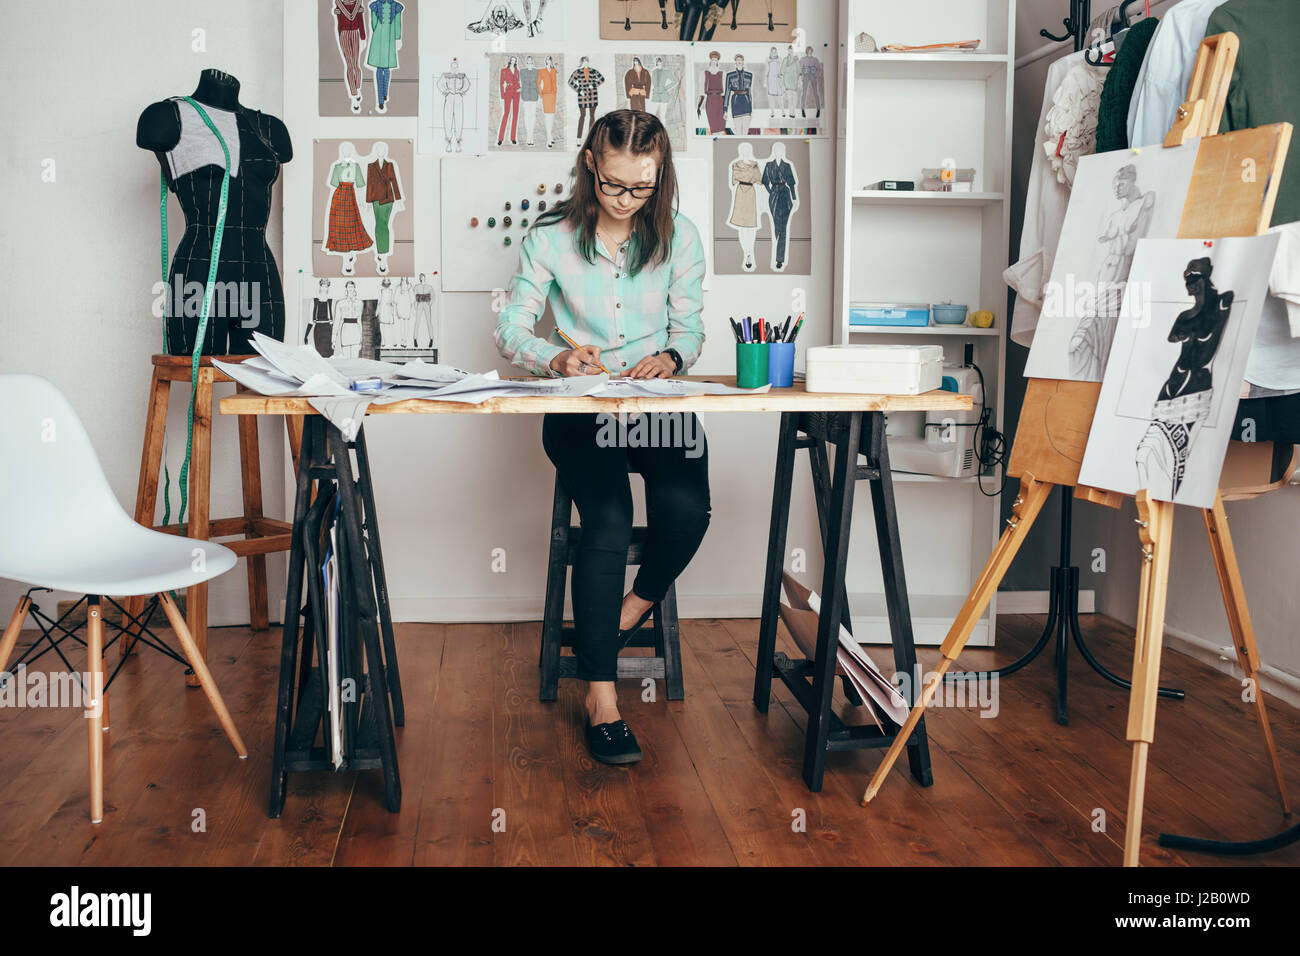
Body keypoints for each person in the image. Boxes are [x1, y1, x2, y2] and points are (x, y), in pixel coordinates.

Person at [493, 110, 710, 765]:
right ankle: (601, 697)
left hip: (653, 400)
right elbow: (510, 329)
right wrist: (554, 358)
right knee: (609, 520)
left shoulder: (681, 238)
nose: (626, 200)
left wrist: (671, 359)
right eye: (615, 184)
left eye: (642, 188)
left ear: (659, 178)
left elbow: (691, 332)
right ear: (591, 163)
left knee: (687, 510)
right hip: (580, 409)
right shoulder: (550, 238)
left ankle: (621, 615)